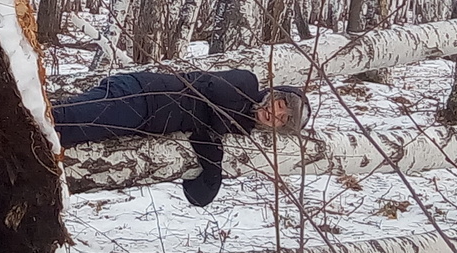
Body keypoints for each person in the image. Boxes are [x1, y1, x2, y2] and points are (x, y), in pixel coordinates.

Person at [52, 69, 311, 206]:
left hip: (141, 124)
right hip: (141, 95)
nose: (275, 114)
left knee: (62, 139)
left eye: (282, 119)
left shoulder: (240, 129)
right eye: (280, 105)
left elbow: (197, 194)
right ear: (274, 94)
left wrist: (212, 170)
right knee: (61, 123)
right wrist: (212, 142)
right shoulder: (246, 84)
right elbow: (211, 90)